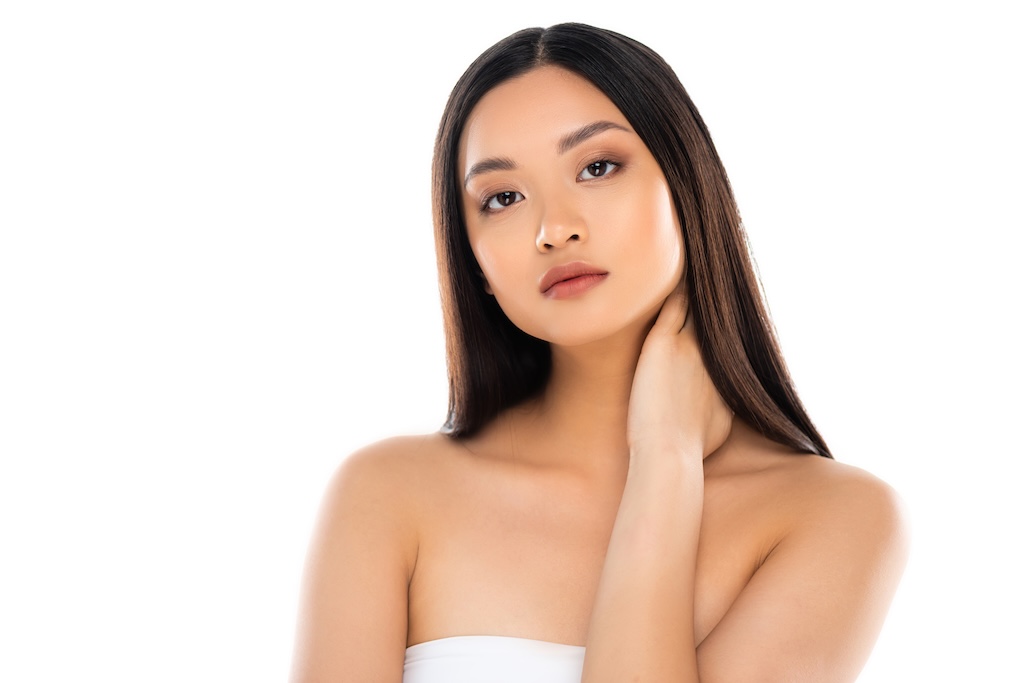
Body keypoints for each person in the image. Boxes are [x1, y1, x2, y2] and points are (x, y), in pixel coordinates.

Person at [290, 22, 909, 683]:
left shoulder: (834, 516)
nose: (555, 229)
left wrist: (665, 464)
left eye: (598, 166)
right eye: (502, 198)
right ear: (474, 264)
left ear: (687, 184)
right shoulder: (386, 493)